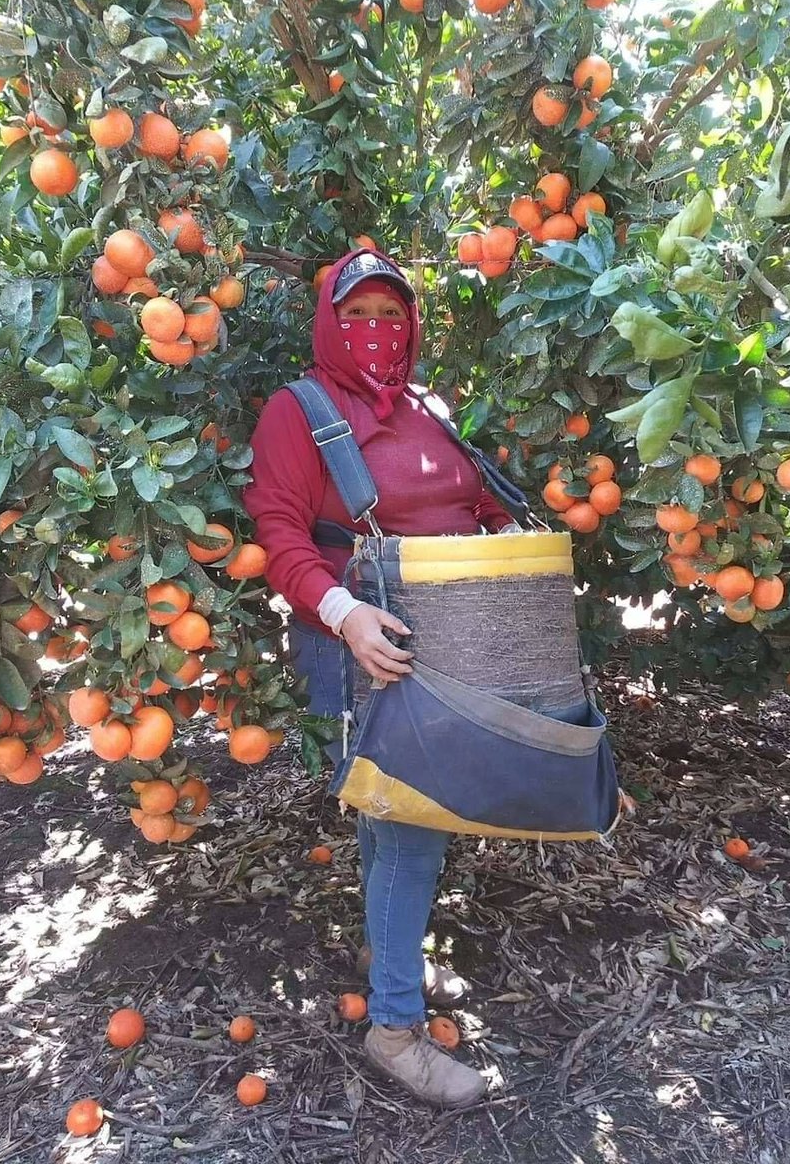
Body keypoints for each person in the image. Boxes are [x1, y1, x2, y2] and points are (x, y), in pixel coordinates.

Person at [245, 249, 520, 1108]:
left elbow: (476, 504)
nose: (375, 331)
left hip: (452, 636)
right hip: (366, 641)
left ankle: (384, 952)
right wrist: (343, 613)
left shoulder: (427, 409)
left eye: (389, 315)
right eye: (356, 314)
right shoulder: (300, 412)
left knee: (386, 815)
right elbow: (280, 532)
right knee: (411, 821)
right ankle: (395, 1027)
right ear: (330, 320)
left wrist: (506, 541)